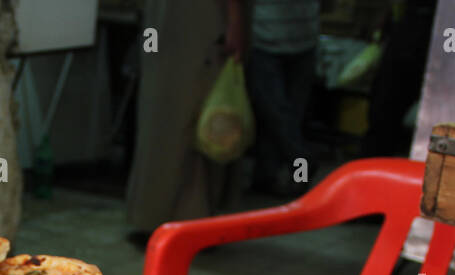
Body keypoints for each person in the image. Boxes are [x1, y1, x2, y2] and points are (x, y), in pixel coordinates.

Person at [125, 0, 243, 241]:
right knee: (161, 119)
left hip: (199, 28)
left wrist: (235, 23)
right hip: (164, 25)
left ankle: (191, 220)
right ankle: (156, 218)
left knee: (195, 122)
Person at [244, 0, 320, 197]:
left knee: (286, 118)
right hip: (267, 40)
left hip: (304, 40)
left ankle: (267, 177)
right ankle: (299, 162)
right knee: (277, 114)